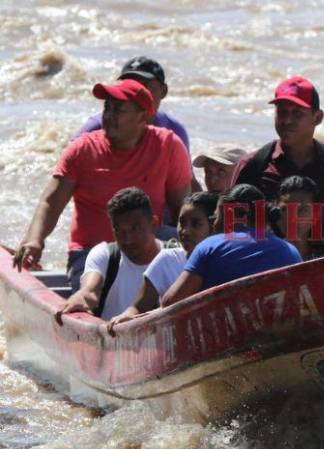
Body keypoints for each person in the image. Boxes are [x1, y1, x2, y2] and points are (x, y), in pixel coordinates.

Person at [12, 79, 192, 291]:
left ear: (142, 116)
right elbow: (51, 202)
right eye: (107, 108)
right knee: (95, 294)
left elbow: (183, 209)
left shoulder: (169, 146)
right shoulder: (82, 150)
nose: (108, 116)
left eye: (118, 110)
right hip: (92, 253)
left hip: (149, 245)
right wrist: (35, 241)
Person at [230, 76, 324, 214]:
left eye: (297, 113)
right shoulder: (252, 166)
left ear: (318, 118)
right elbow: (229, 225)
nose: (287, 121)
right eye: (282, 112)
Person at [161, 184, 302, 307]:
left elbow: (169, 302)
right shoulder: (291, 251)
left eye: (214, 218)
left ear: (225, 216)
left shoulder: (208, 247)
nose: (214, 225)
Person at [110, 191, 219, 324]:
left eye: (195, 224)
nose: (185, 231)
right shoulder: (167, 259)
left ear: (214, 227)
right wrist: (126, 316)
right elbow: (139, 307)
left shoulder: (226, 260)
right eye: (182, 222)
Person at [54, 188, 162, 322]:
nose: (127, 239)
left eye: (135, 229)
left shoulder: (176, 257)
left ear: (154, 224)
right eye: (119, 231)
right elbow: (90, 291)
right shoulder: (105, 255)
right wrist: (80, 298)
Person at [73, 56, 190, 151]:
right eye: (129, 85)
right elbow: (65, 168)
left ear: (163, 91)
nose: (135, 93)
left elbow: (187, 179)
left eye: (143, 86)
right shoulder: (95, 128)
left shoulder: (174, 132)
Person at [273, 176, 324, 260]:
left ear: (316, 215)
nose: (293, 217)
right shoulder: (265, 255)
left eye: (302, 210)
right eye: (286, 209)